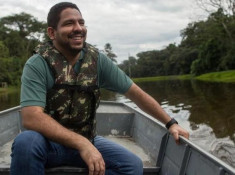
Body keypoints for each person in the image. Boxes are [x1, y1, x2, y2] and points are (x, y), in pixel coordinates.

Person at [10, 2, 189, 175]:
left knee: (132, 166)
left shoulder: (97, 61)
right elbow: (31, 117)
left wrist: (171, 123)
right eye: (69, 23)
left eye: (81, 22)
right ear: (52, 32)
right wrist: (82, 144)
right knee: (25, 143)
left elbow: (135, 93)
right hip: (48, 145)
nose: (78, 28)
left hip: (87, 139)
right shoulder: (38, 63)